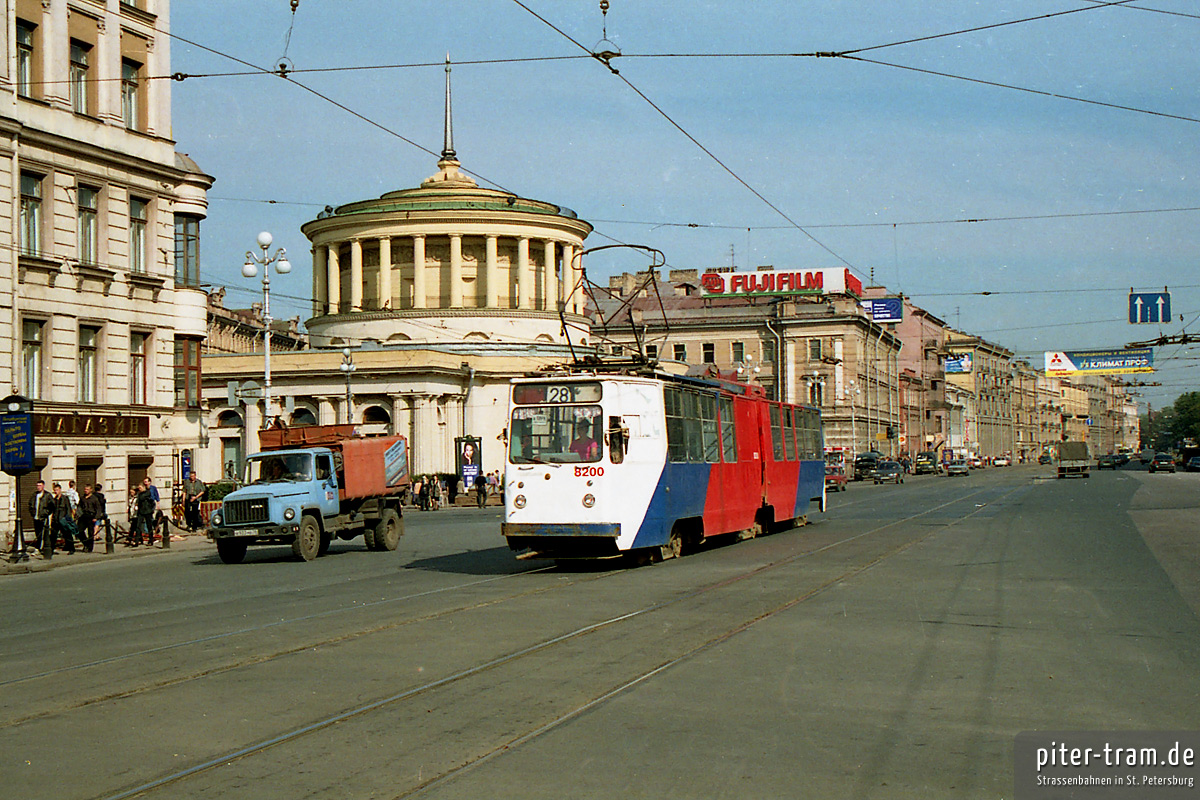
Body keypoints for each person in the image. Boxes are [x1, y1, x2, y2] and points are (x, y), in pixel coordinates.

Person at [29, 480, 55, 553]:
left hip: (43, 517)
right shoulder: (34, 495)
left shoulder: (47, 495)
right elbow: (30, 504)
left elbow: (52, 506)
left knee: (44, 533)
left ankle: (43, 547)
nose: (38, 487)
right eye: (37, 485)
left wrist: (46, 513)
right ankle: (38, 547)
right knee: (37, 533)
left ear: (43, 486)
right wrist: (32, 513)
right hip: (36, 517)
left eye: (40, 485)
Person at [51, 482, 77, 554]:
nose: (56, 491)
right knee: (53, 535)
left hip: (63, 519)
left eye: (57, 490)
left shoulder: (65, 498)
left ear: (60, 490)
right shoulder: (54, 499)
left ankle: (71, 548)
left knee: (67, 535)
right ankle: (51, 549)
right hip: (56, 520)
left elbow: (68, 509)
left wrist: (67, 519)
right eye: (55, 490)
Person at [77, 484, 102, 553]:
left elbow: (98, 509)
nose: (86, 491)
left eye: (87, 489)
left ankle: (90, 548)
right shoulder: (82, 498)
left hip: (91, 516)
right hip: (84, 516)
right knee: (79, 531)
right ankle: (85, 543)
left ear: (91, 490)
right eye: (85, 489)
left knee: (90, 533)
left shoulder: (94, 499)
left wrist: (96, 517)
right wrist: (78, 514)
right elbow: (79, 506)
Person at [135, 482, 157, 547]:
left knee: (149, 525)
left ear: (143, 487)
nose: (139, 489)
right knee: (138, 526)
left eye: (140, 488)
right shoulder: (139, 494)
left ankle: (151, 539)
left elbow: (142, 498)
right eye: (139, 488)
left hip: (147, 511)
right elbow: (138, 501)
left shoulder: (147, 492)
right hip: (141, 511)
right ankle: (137, 540)